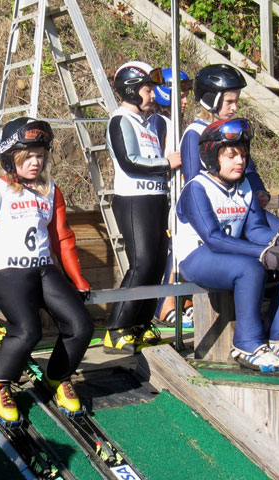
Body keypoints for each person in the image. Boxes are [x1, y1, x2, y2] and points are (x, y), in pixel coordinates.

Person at [0, 118, 93, 426]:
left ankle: (58, 376)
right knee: (28, 331)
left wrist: (78, 279)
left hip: (43, 270)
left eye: (40, 155)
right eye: (27, 155)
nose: (35, 162)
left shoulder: (51, 190)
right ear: (10, 157)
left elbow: (62, 238)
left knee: (81, 325)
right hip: (7, 273)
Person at [175, 118, 279, 371]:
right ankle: (247, 343)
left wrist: (275, 241)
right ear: (211, 156)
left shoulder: (245, 185)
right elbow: (213, 238)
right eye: (231, 155)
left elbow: (254, 228)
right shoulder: (197, 188)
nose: (240, 161)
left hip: (231, 255)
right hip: (197, 258)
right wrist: (263, 252)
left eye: (243, 154)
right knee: (251, 268)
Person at [104, 61, 180, 354]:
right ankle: (116, 328)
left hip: (156, 198)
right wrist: (167, 163)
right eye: (147, 89)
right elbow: (129, 161)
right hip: (134, 199)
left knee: (158, 265)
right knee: (142, 263)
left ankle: (140, 323)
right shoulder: (121, 119)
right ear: (132, 91)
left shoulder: (148, 123)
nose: (152, 95)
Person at [180, 64, 279, 238]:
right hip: (214, 210)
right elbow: (193, 181)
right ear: (211, 100)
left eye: (236, 101)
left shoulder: (233, 128)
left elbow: (249, 169)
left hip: (239, 205)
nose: (235, 108)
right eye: (229, 102)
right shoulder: (195, 133)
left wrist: (260, 191)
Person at [148, 68, 195, 327]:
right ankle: (165, 305)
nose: (186, 99)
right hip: (166, 194)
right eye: (181, 94)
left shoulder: (174, 123)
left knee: (183, 248)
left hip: (179, 191)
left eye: (187, 93)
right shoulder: (158, 121)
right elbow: (155, 159)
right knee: (173, 249)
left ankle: (184, 301)